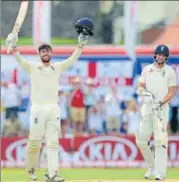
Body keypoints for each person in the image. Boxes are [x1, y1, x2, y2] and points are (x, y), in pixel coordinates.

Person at [5, 32, 89, 182]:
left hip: (53, 109)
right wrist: (15, 46)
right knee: (35, 140)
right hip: (37, 108)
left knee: (53, 142)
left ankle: (52, 174)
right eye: (43, 51)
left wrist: (80, 45)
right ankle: (31, 168)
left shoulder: (57, 67)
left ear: (50, 53)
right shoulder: (33, 67)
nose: (45, 53)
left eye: (47, 51)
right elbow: (19, 59)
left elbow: (72, 59)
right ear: (39, 54)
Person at [136, 44, 176, 180]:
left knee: (160, 141)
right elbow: (140, 87)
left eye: (163, 55)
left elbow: (172, 92)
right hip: (147, 108)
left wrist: (161, 102)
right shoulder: (147, 70)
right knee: (141, 140)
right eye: (159, 54)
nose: (161, 57)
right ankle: (151, 166)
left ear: (166, 58)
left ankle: (160, 173)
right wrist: (144, 94)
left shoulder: (170, 71)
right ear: (155, 55)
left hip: (161, 110)